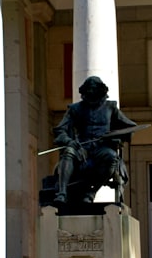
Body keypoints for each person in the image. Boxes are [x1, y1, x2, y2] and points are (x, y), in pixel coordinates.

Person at [52, 76, 138, 205]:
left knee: (112, 157)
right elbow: (60, 130)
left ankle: (91, 192)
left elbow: (130, 127)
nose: (91, 94)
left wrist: (115, 136)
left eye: (94, 91)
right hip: (81, 148)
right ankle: (62, 193)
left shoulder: (111, 107)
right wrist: (69, 141)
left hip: (102, 148)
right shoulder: (75, 109)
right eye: (88, 91)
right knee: (69, 152)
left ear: (101, 92)